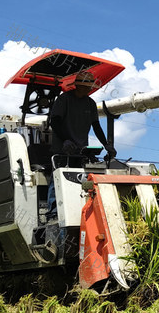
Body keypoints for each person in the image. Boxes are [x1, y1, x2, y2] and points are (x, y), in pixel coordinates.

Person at [45, 71, 116, 222]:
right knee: (57, 178)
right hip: (62, 148)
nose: (87, 90)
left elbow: (96, 126)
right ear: (77, 85)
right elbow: (55, 121)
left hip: (80, 150)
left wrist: (107, 145)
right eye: (84, 87)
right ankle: (52, 212)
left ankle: (77, 209)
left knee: (79, 180)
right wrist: (65, 140)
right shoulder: (64, 100)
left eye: (89, 87)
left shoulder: (90, 104)